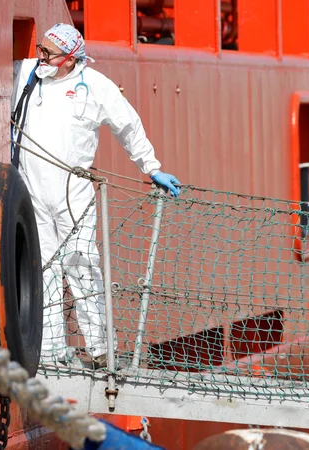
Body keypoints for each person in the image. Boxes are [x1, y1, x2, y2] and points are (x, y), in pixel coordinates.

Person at [11, 24, 181, 369]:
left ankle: (102, 348)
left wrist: (151, 167)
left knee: (81, 263)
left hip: (72, 190)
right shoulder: (27, 75)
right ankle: (52, 351)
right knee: (41, 268)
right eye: (40, 50)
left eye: (49, 53)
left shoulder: (96, 88)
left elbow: (128, 126)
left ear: (71, 59)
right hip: (32, 188)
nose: (40, 57)